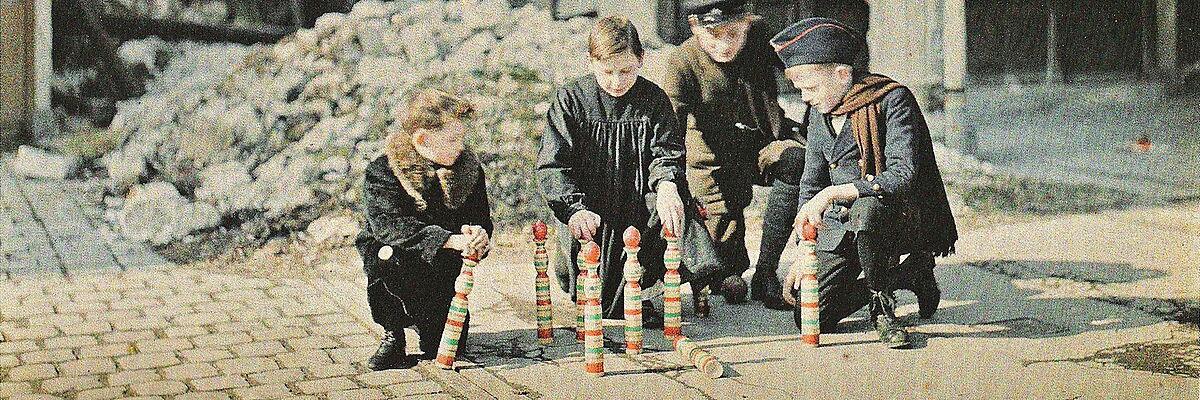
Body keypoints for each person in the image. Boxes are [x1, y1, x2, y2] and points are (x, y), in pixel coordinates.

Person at [771, 18, 958, 348]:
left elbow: (903, 175)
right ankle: (909, 275)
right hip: (841, 228)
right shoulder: (820, 110)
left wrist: (835, 192)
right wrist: (804, 249)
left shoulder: (892, 99)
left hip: (893, 220)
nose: (804, 97)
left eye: (809, 88)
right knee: (809, 315)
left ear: (842, 75)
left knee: (867, 209)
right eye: (799, 89)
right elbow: (811, 184)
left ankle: (883, 309)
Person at [537, 16, 688, 326]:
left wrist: (667, 186)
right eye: (607, 72)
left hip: (637, 203)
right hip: (592, 208)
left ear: (641, 60)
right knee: (597, 296)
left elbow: (666, 151)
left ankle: (646, 290)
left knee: (672, 203)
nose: (617, 81)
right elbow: (554, 163)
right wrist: (574, 209)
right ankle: (602, 285)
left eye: (626, 71)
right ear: (591, 61)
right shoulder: (571, 100)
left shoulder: (654, 99)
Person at [662, 0, 805, 308]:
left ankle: (767, 271)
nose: (725, 45)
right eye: (714, 36)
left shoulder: (760, 39)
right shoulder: (682, 63)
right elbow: (668, 134)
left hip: (761, 145)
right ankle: (730, 267)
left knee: (796, 160)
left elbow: (808, 68)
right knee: (725, 274)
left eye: (733, 34)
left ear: (747, 24)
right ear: (694, 27)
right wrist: (672, 184)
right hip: (710, 163)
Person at [355, 89, 494, 370]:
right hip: (397, 257)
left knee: (441, 345)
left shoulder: (467, 169)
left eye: (462, 137)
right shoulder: (384, 171)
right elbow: (391, 226)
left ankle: (427, 322)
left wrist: (479, 236)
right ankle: (393, 334)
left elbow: (481, 216)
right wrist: (450, 240)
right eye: (453, 139)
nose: (461, 145)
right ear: (422, 139)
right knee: (385, 256)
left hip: (441, 267)